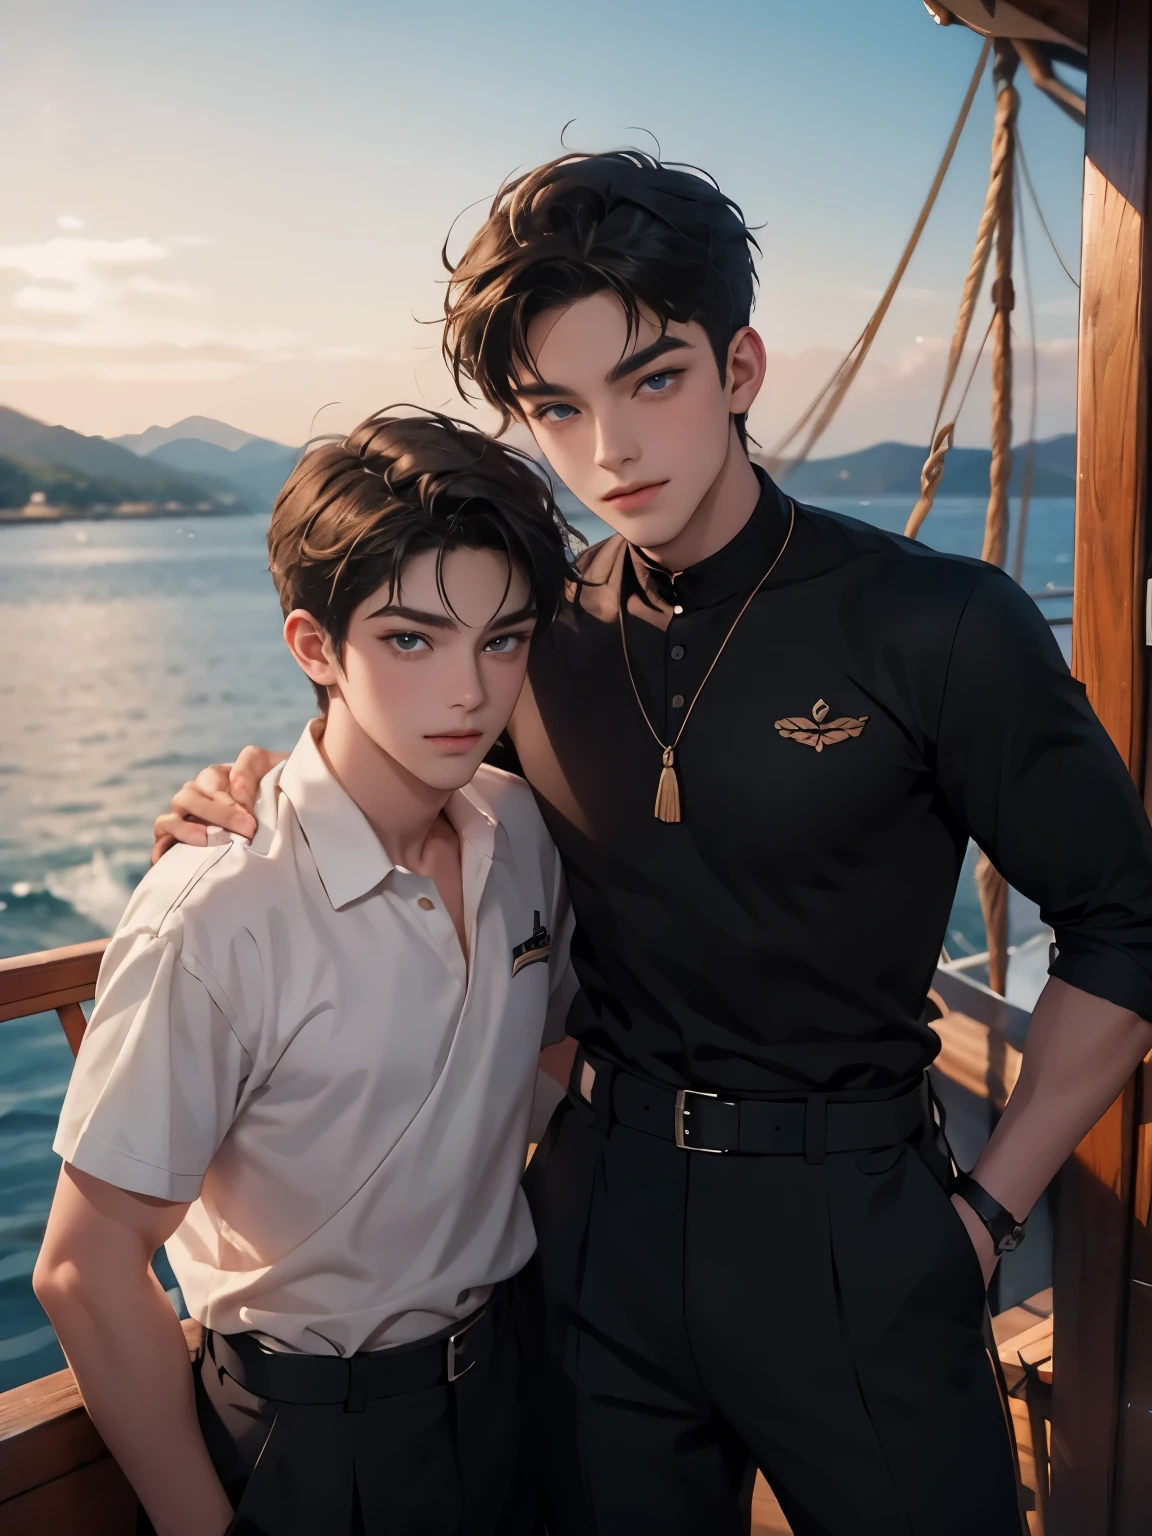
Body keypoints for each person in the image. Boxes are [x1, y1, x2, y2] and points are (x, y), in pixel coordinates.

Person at [154, 153, 1152, 1536]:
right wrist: (249, 784)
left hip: (856, 1224)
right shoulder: (533, 640)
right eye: (558, 407)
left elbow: (1124, 916)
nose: (609, 448)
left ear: (739, 365)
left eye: (652, 379)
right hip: (591, 1226)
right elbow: (395, 767)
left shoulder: (940, 623)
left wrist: (987, 1207)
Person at [35, 408, 582, 1536]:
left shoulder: (520, 830)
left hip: (514, 1386)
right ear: (314, 646)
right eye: (411, 640)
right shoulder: (218, 908)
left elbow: (539, 1053)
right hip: (314, 1440)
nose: (470, 693)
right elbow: (83, 1272)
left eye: (504, 639)